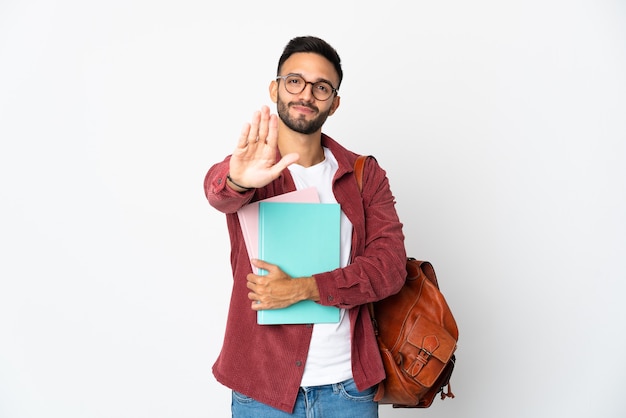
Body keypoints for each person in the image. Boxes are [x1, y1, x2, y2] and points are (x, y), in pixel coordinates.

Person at [204, 35, 406, 417]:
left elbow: (390, 268)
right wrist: (238, 179)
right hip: (262, 387)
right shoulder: (252, 167)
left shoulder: (363, 174)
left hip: (348, 388)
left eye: (321, 87)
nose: (306, 94)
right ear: (275, 87)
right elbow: (219, 193)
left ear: (335, 103)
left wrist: (303, 288)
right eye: (295, 81)